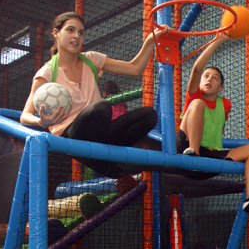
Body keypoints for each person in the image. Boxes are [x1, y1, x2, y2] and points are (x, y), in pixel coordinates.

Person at [21, 12, 169, 178]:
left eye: (81, 32)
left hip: (100, 131)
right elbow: (25, 116)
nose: (76, 36)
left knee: (149, 115)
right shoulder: (47, 73)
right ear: (56, 33)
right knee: (102, 107)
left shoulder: (91, 59)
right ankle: (104, 163)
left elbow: (135, 68)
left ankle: (107, 162)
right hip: (71, 136)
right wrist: (41, 121)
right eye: (70, 30)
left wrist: (150, 41)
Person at [177, 33, 249, 216]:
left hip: (209, 158)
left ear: (220, 88)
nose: (209, 79)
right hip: (186, 152)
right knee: (198, 105)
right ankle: (194, 154)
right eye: (206, 76)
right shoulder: (195, 96)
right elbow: (197, 68)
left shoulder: (225, 104)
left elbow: (217, 130)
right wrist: (219, 40)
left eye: (214, 78)